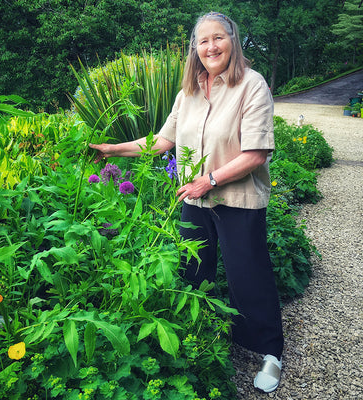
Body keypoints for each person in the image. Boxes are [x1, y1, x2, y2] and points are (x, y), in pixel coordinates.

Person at [89, 12, 284, 393]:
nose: (211, 47)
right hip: (193, 200)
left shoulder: (252, 86)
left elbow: (256, 154)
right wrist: (113, 149)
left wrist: (207, 181)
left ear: (233, 39)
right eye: (203, 41)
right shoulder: (189, 92)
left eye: (218, 38)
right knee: (194, 273)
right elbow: (162, 141)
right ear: (195, 48)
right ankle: (205, 336)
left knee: (249, 277)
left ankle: (270, 353)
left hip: (237, 199)